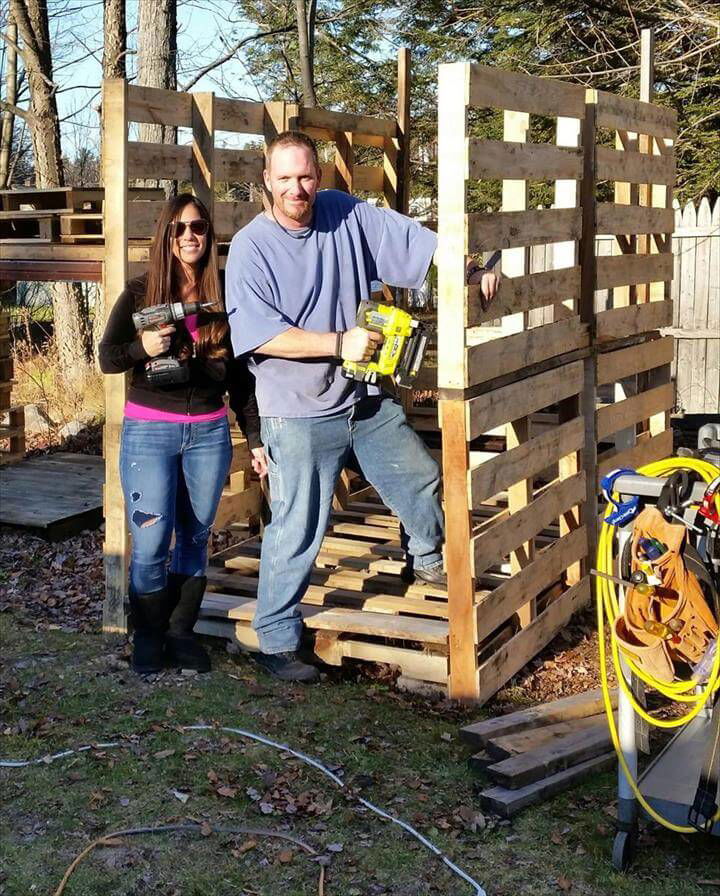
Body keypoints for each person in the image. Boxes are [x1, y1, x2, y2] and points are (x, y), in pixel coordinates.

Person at [225, 131, 499, 683]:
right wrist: (336, 342)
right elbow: (260, 336)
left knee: (419, 478)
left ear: (318, 177)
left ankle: (426, 563)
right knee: (299, 523)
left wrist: (471, 269)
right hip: (297, 408)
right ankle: (276, 639)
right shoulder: (251, 248)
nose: (296, 188)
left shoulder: (345, 213)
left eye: (305, 177)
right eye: (284, 179)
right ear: (266, 183)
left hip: (362, 394)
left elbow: (416, 243)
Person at [99, 195, 266, 675]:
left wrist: (254, 439)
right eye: (179, 229)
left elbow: (242, 382)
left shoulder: (225, 300)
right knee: (151, 542)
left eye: (198, 228)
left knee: (194, 537)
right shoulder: (138, 295)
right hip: (150, 431)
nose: (189, 236)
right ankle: (148, 634)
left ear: (209, 236)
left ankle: (180, 633)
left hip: (209, 434)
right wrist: (141, 346)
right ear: (165, 238)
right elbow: (107, 357)